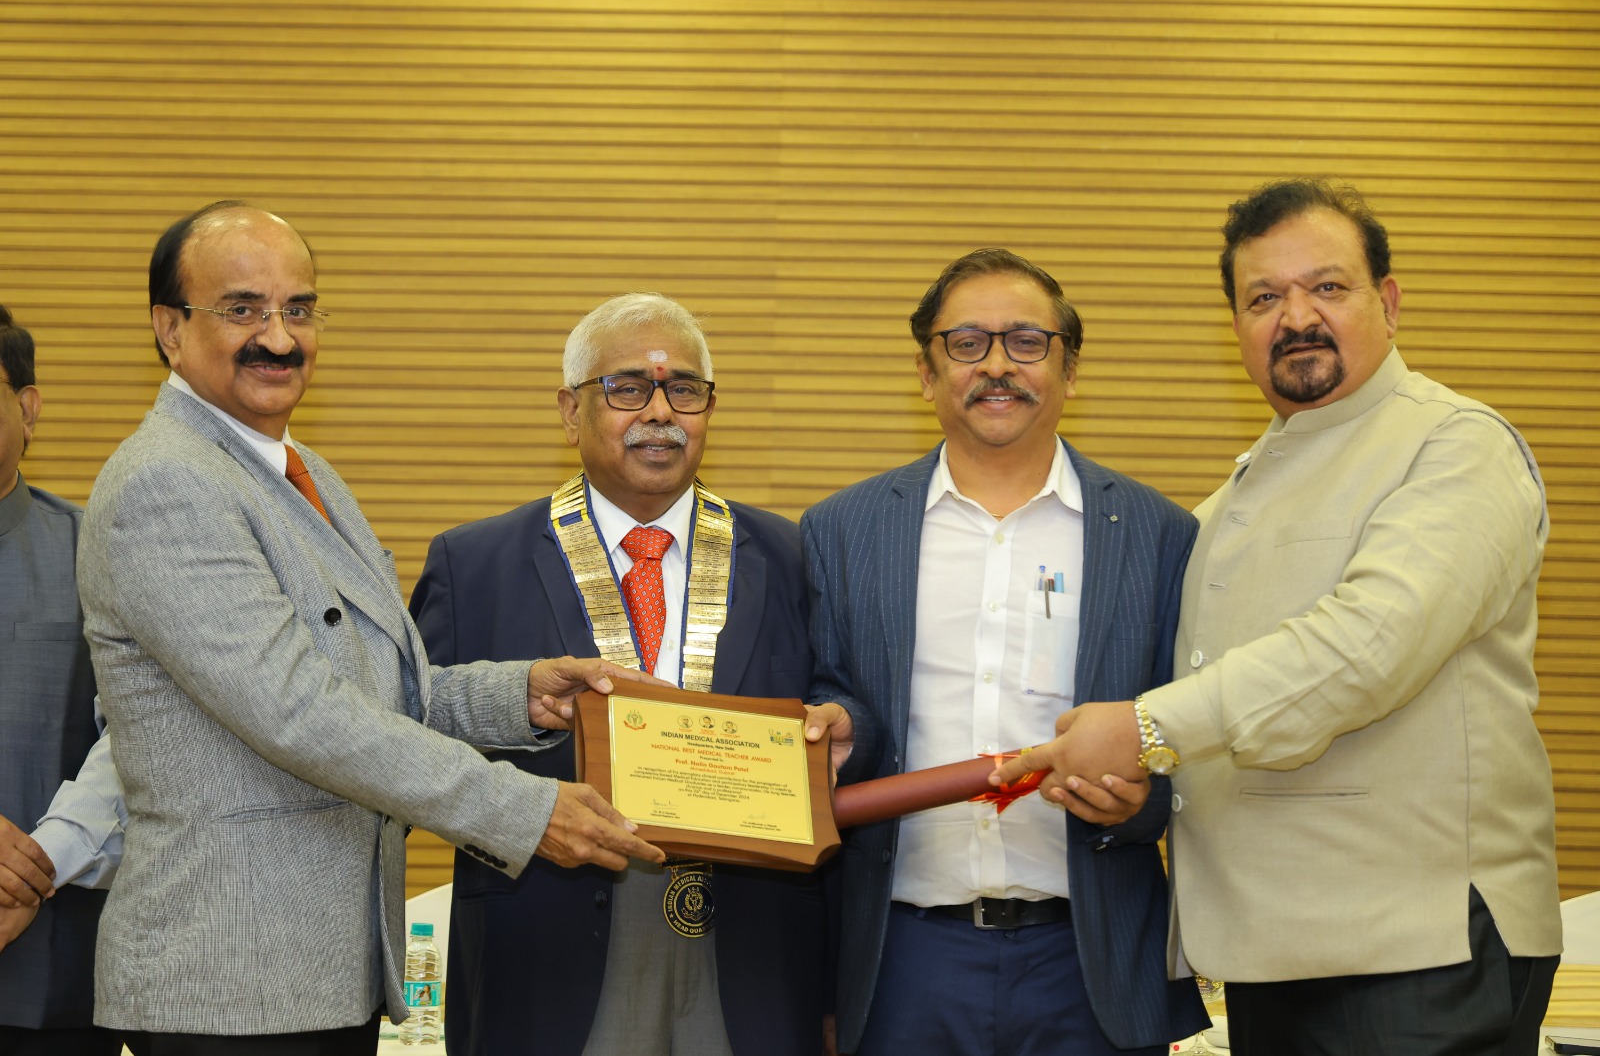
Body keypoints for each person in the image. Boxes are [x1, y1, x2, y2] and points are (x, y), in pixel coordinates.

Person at [76, 201, 665, 1055]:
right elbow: (300, 713)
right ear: (170, 329)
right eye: (242, 309)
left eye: (299, 309)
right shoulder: (166, 485)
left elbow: (378, 687)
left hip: (320, 971)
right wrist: (522, 810)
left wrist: (520, 697)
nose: (279, 337)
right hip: (228, 980)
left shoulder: (303, 472)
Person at [993, 179, 1562, 1054]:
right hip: (1272, 956)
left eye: (1327, 286)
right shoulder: (1228, 504)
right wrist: (1135, 777)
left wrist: (1143, 730)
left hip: (1418, 951)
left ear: (1389, 302)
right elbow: (1217, 714)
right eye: (1264, 298)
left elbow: (1366, 649)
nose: (1296, 317)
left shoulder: (1454, 444)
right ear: (1237, 329)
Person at [799, 249, 1208, 1055]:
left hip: (1089, 960)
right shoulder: (842, 532)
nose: (996, 365)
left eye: (1026, 341)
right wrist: (837, 730)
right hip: (902, 959)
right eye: (967, 343)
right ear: (925, 373)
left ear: (1069, 369)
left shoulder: (1158, 535)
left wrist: (1141, 804)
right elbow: (834, 698)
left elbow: (1187, 732)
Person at [409, 292, 827, 1056]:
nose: (660, 412)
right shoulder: (472, 566)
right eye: (628, 388)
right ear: (571, 412)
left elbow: (840, 708)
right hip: (548, 950)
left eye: (684, 390)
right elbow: (409, 747)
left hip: (751, 956)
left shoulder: (794, 556)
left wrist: (840, 727)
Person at [0, 304, 128, 1055]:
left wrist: (34, 865)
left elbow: (144, 737)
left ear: (28, 408)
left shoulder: (97, 554)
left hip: (53, 973)